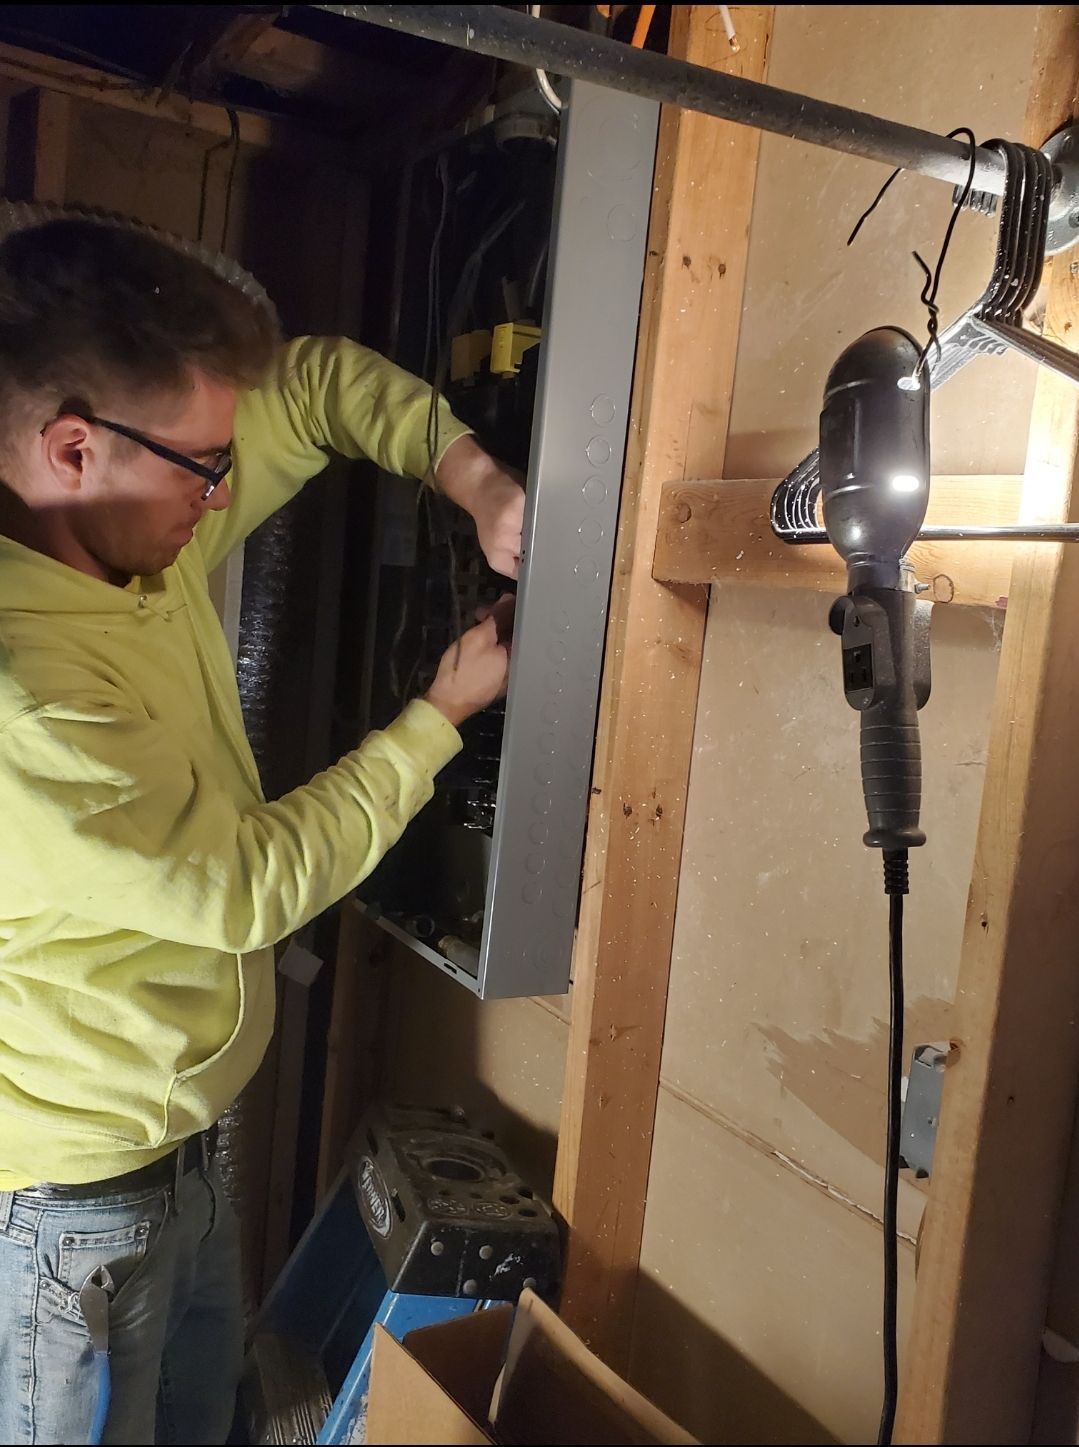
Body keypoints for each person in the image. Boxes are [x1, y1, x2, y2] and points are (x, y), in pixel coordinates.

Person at [0, 218, 526, 1445]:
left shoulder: (127, 543)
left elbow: (315, 385)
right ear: (74, 445)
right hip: (77, 1201)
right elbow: (244, 887)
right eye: (201, 466)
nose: (225, 493)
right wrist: (437, 717)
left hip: (173, 1161)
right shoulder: (30, 692)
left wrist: (475, 478)